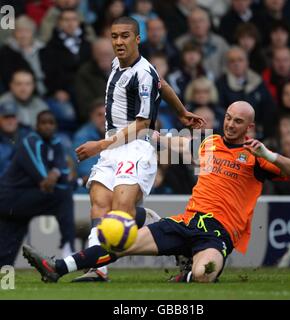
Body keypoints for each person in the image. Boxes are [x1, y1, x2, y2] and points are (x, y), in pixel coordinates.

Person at [23, 101, 290, 283]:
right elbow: (176, 145)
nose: (230, 124)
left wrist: (270, 154)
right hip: (187, 222)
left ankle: (187, 273)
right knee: (122, 243)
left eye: (237, 122)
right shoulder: (210, 143)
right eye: (228, 118)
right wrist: (149, 134)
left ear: (250, 127)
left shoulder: (256, 156)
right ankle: (58, 267)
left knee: (203, 274)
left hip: (218, 232)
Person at [58, 16, 205, 282]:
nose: (118, 41)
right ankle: (99, 268)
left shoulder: (143, 73)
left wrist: (97, 146)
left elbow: (142, 125)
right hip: (113, 146)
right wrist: (181, 111)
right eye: (114, 36)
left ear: (138, 39)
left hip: (136, 145)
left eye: (125, 36)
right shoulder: (120, 62)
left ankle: (171, 239)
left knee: (119, 210)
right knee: (98, 205)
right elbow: (164, 83)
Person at [0, 110, 75, 267]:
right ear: (36, 126)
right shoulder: (31, 142)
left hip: (25, 199)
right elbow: (43, 178)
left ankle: (5, 282)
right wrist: (56, 173)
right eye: (44, 123)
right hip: (10, 198)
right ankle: (68, 246)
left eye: (51, 123)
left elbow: (65, 172)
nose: (48, 126)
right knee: (63, 195)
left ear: (55, 125)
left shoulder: (56, 143)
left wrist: (55, 173)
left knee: (8, 248)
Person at [0, 101, 31, 177]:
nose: (10, 121)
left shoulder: (28, 135)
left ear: (18, 119)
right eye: (6, 117)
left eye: (13, 117)